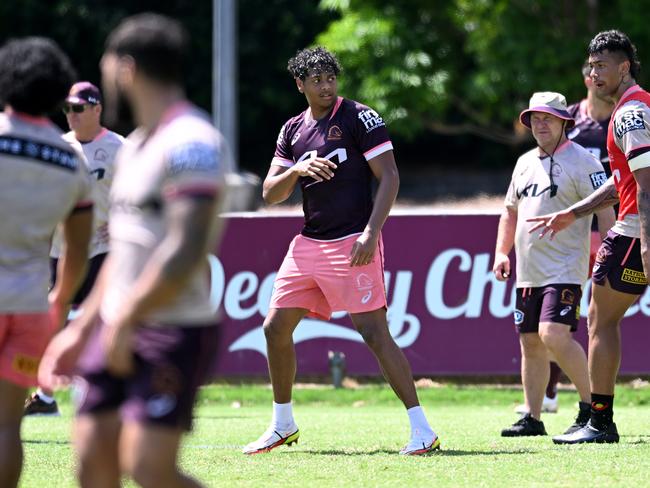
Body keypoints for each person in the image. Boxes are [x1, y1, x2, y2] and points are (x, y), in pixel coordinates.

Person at [38, 13, 229, 487]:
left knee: (148, 468)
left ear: (125, 68)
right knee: (92, 456)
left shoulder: (193, 141)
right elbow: (120, 254)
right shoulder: (138, 145)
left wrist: (125, 319)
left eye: (105, 64)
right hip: (115, 324)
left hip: (172, 327)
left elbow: (184, 250)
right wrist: (81, 329)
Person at [242, 46, 439, 456]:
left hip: (353, 241)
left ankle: (422, 429)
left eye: (330, 78)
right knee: (274, 328)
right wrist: (296, 170)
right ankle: (283, 424)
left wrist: (371, 233)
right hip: (308, 244)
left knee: (373, 331)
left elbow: (390, 177)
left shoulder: (359, 117)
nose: (326, 85)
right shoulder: (292, 130)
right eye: (316, 80)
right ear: (300, 85)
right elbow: (268, 193)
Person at [530, 30, 650, 444]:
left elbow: (645, 185)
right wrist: (575, 211)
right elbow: (623, 180)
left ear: (624, 67)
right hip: (635, 227)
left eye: (603, 66)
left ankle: (600, 421)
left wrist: (647, 241)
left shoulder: (631, 113)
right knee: (601, 318)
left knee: (602, 320)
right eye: (591, 65)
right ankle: (597, 418)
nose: (594, 73)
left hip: (636, 230)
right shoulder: (637, 107)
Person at [493, 91, 615, 437]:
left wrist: (609, 252)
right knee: (531, 343)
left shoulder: (585, 161)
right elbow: (510, 212)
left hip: (564, 267)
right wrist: (501, 253)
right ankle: (532, 417)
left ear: (565, 122)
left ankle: (592, 409)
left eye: (548, 118)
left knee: (553, 335)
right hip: (528, 270)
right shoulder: (524, 162)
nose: (540, 124)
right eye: (535, 118)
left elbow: (606, 209)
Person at [0, 37, 93, 488]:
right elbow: (77, 248)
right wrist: (59, 301)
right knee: (6, 428)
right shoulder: (70, 161)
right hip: (32, 307)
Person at [24, 81, 125, 417]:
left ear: (97, 108)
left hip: (101, 246)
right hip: (58, 247)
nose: (72, 115)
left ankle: (104, 387)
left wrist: (124, 220)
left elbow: (138, 194)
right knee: (55, 315)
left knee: (101, 315)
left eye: (78, 108)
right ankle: (47, 394)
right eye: (67, 109)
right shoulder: (57, 146)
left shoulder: (119, 148)